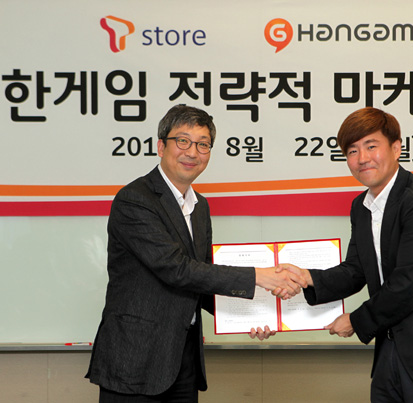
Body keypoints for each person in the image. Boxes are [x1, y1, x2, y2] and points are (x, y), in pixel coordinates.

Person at [86, 104, 306, 402]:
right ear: (161, 146)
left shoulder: (200, 207)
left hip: (183, 358)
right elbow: (176, 269)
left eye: (203, 144)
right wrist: (259, 277)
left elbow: (201, 279)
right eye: (183, 141)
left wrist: (251, 315)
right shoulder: (135, 199)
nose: (192, 152)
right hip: (135, 358)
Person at [278, 107, 413, 402]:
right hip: (389, 348)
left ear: (396, 148)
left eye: (371, 146)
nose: (362, 158)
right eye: (352, 151)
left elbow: (409, 283)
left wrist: (356, 321)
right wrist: (307, 278)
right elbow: (356, 269)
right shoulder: (361, 207)